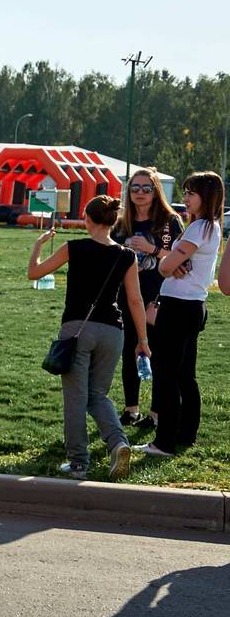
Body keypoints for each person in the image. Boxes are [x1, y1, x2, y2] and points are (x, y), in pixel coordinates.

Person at [27, 195, 149, 478]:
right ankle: (118, 443)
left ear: (87, 219)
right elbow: (135, 300)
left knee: (76, 398)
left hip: (77, 329)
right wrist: (143, 341)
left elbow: (34, 273)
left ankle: (79, 462)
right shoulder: (127, 255)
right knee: (98, 395)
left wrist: (37, 246)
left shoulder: (74, 247)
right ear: (113, 221)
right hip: (113, 332)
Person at [141, 172, 224, 458]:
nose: (185, 198)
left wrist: (169, 263)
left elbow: (165, 267)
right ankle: (185, 435)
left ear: (207, 196)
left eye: (191, 193)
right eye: (185, 192)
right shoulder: (210, 226)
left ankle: (164, 442)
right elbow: (173, 263)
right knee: (185, 376)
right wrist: (173, 261)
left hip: (178, 306)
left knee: (166, 374)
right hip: (192, 305)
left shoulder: (199, 227)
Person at [112, 168, 183, 429]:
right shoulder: (121, 224)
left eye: (146, 188)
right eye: (134, 188)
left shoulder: (169, 221)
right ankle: (131, 410)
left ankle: (155, 414)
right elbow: (111, 257)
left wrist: (150, 249)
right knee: (130, 350)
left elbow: (181, 257)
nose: (140, 193)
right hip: (127, 297)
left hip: (159, 297)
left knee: (158, 354)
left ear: (156, 191)